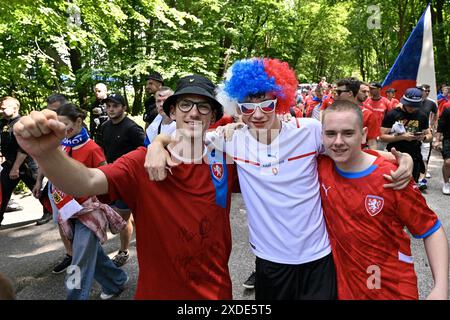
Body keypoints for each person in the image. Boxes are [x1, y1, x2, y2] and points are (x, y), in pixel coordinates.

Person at [146, 58, 413, 300]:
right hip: (269, 261)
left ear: (281, 100)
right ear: (237, 108)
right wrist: (157, 142)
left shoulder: (308, 131)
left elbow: (349, 149)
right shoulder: (232, 139)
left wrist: (399, 158)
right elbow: (188, 137)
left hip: (319, 257)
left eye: (267, 105)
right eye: (248, 108)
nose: (258, 114)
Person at [13, 75, 239, 300]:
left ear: (214, 117)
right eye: (185, 104)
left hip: (217, 293)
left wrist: (160, 141)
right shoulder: (141, 162)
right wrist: (46, 154)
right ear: (172, 113)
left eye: (203, 106)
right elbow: (87, 182)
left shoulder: (228, 159)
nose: (193, 112)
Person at [319, 100, 449, 299]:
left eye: (348, 133)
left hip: (391, 289)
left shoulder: (393, 177)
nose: (338, 141)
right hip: (345, 289)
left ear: (363, 134)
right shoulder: (320, 166)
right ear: (322, 136)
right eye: (330, 134)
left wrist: (440, 287)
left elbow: (431, 229)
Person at [48, 103, 128, 300]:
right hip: (68, 210)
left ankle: (74, 297)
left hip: (88, 211)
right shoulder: (62, 145)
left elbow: (106, 177)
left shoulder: (92, 148)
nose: (62, 129)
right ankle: (117, 280)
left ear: (78, 121)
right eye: (58, 125)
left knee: (79, 261)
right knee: (91, 255)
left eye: (65, 124)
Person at [98, 93, 145, 267]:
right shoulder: (104, 127)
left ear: (124, 108)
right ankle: (125, 249)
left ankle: (128, 251)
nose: (111, 109)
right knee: (121, 218)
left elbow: (146, 151)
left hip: (132, 180)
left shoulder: (132, 128)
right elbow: (103, 150)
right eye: (108, 106)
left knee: (122, 219)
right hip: (113, 178)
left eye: (115, 106)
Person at [0, 97, 49, 226]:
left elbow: (24, 148)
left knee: (37, 189)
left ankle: (49, 212)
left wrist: (16, 167)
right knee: (2, 192)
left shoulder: (23, 123)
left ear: (15, 108)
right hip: (9, 164)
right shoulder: (3, 123)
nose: (1, 110)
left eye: (4, 108)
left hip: (26, 164)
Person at [380, 88, 432, 182]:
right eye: (409, 105)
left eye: (415, 106)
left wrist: (423, 137)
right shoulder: (392, 114)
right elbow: (382, 137)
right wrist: (402, 137)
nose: (412, 108)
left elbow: (429, 136)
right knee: (394, 184)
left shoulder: (422, 115)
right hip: (394, 155)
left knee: (411, 186)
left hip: (414, 156)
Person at [34, 93, 69, 226]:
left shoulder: (77, 130)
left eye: (54, 111)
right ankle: (70, 248)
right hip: (55, 185)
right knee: (62, 222)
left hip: (75, 185)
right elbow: (45, 158)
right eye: (48, 111)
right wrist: (38, 181)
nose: (49, 115)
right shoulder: (48, 132)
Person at [334, 78, 378, 150]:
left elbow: (372, 142)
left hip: (355, 158)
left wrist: (373, 160)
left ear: (350, 93)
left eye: (339, 92)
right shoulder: (331, 112)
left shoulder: (368, 114)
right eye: (335, 91)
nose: (336, 94)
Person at [416, 84, 438, 190]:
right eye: (426, 90)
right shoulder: (413, 101)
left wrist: (432, 126)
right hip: (412, 133)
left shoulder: (431, 103)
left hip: (426, 133)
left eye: (429, 91)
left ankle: (422, 181)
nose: (427, 92)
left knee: (424, 157)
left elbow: (436, 114)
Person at [434, 106, 450, 195]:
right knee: (448, 162)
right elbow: (440, 126)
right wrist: (437, 140)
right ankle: (446, 183)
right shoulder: (447, 111)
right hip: (448, 139)